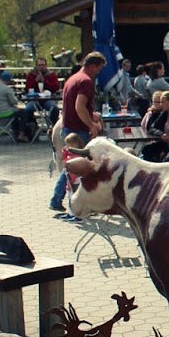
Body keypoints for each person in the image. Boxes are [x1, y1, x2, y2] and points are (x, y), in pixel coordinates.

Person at [50, 51, 106, 214]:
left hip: (68, 127)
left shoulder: (72, 78)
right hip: (78, 129)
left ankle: (58, 199)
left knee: (72, 166)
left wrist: (91, 114)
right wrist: (92, 125)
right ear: (93, 65)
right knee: (77, 167)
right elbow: (79, 106)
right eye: (99, 68)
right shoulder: (86, 81)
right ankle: (73, 201)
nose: (99, 72)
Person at [0, 70, 34, 142]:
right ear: (9, 80)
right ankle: (21, 134)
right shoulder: (7, 89)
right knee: (23, 112)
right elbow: (13, 102)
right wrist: (16, 98)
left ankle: (17, 133)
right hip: (5, 112)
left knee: (17, 115)